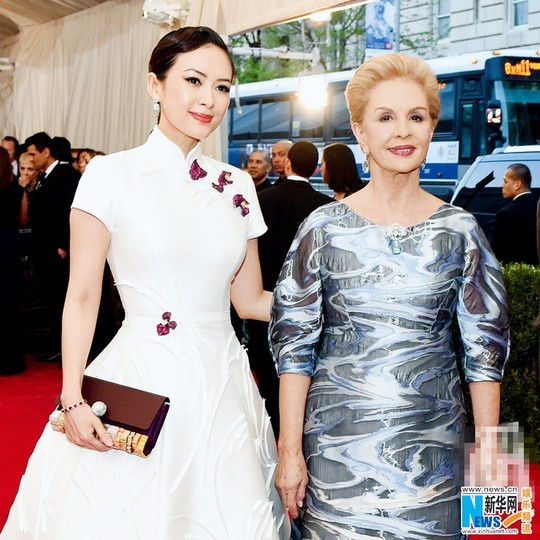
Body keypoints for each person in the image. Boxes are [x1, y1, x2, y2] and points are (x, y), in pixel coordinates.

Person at [1, 26, 289, 539]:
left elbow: (249, 301)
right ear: (155, 84)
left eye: (222, 87)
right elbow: (82, 295)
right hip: (141, 377)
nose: (209, 99)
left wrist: (331, 301)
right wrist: (72, 398)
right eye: (194, 80)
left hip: (222, 385)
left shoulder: (238, 185)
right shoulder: (109, 175)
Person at [270, 53, 509, 538]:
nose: (403, 131)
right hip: (335, 452)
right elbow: (293, 346)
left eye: (416, 117)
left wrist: (492, 463)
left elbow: (486, 353)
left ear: (431, 127)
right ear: (360, 132)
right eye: (385, 117)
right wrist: (289, 452)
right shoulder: (322, 228)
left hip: (437, 459)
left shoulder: (461, 230)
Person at [246, 141, 332, 437]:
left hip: (263, 300)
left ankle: (270, 432)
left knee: (267, 377)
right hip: (309, 306)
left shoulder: (263, 200)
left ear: (288, 163)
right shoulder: (325, 207)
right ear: (315, 169)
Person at [26, 131, 80, 363]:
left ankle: (63, 349)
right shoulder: (45, 176)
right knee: (50, 300)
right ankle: (56, 346)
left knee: (59, 301)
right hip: (45, 251)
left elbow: (71, 211)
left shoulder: (65, 174)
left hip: (57, 253)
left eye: (33, 154)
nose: (30, 159)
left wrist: (64, 246)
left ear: (46, 152)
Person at [0, 147, 25, 375]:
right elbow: (24, 219)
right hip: (8, 247)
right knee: (8, 302)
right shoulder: (17, 191)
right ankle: (10, 360)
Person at [491, 163, 538, 265]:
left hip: (513, 272)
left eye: (505, 181)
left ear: (517, 184)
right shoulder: (537, 208)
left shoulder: (505, 214)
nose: (502, 185)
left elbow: (497, 253)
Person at [17, 152, 40, 227]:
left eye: (30, 169)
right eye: (22, 168)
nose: (25, 173)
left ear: (37, 171)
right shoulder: (12, 187)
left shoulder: (42, 187)